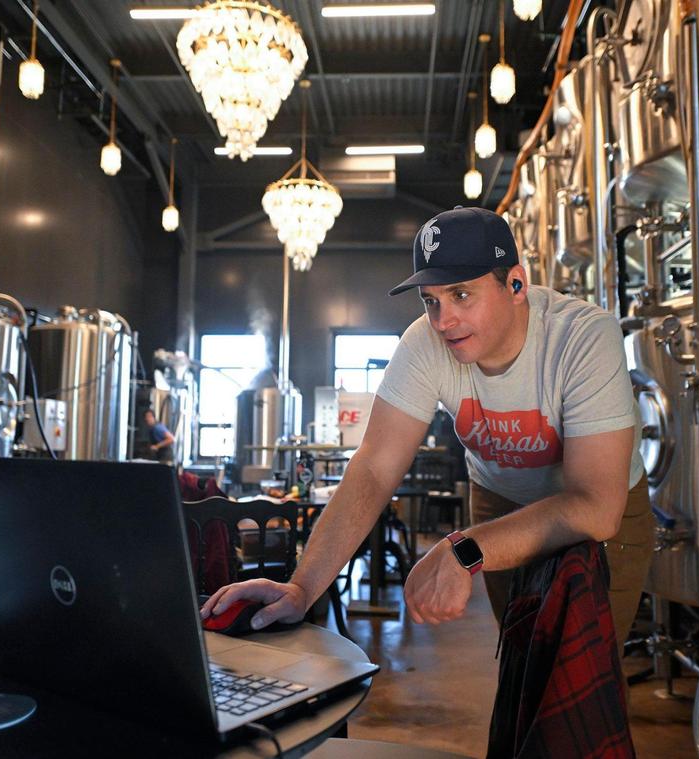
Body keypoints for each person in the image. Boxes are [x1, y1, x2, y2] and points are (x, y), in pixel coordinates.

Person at [201, 207, 653, 736]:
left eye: (462, 295)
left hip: (602, 511)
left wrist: (461, 547)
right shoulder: (425, 344)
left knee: (584, 681)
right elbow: (373, 467)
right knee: (521, 668)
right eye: (431, 301)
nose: (444, 321)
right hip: (501, 500)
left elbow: (594, 506)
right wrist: (302, 588)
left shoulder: (581, 337)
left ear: (515, 284)